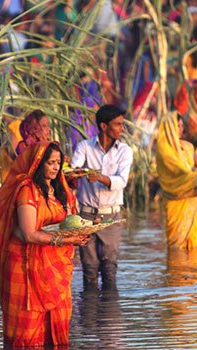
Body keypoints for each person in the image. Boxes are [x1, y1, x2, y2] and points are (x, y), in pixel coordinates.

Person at [0, 141, 89, 347]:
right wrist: (67, 240)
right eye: (50, 162)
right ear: (38, 163)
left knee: (58, 322)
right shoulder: (27, 191)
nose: (55, 167)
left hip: (55, 265)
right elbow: (29, 234)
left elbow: (69, 222)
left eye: (58, 163)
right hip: (26, 266)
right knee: (27, 329)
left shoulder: (61, 191)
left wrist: (78, 234)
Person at [71, 104, 133, 291]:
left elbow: (121, 181)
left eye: (122, 124)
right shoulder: (84, 147)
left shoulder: (125, 151)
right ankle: (89, 315)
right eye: (118, 124)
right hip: (86, 216)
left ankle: (108, 313)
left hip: (111, 215)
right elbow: (75, 169)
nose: (122, 129)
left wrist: (99, 177)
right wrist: (78, 172)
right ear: (104, 127)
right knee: (89, 268)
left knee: (109, 266)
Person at [156, 113, 197, 250]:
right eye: (177, 126)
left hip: (192, 198)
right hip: (176, 200)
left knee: (195, 246)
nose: (180, 129)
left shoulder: (187, 147)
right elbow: (180, 174)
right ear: (169, 128)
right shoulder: (165, 152)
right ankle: (177, 271)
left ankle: (195, 271)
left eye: (181, 126)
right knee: (177, 246)